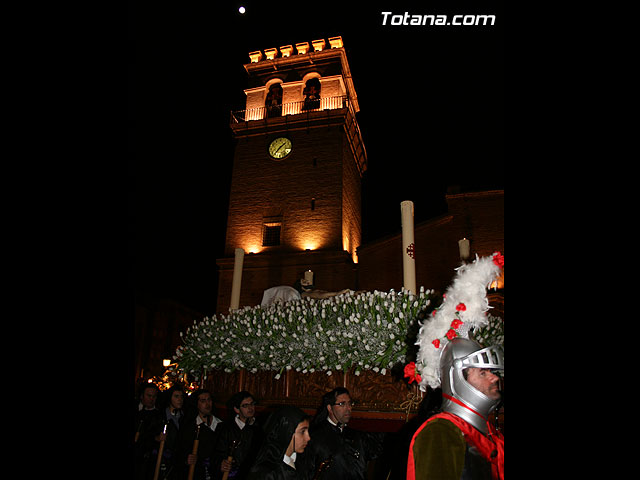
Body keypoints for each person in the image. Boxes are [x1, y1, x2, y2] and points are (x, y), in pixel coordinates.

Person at [407, 338, 504, 480]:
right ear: (458, 379)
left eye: (491, 371)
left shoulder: (488, 431)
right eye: (483, 373)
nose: (494, 378)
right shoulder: (440, 430)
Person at [299, 387, 384, 479]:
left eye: (349, 403)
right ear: (330, 408)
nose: (348, 408)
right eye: (342, 404)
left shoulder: (357, 434)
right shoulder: (315, 436)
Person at [247, 406, 311, 480]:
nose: (308, 438)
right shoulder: (266, 473)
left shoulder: (301, 461)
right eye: (302, 432)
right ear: (286, 432)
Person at [212, 391, 263, 479]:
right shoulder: (225, 428)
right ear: (236, 409)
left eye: (252, 404)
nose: (250, 408)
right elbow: (216, 453)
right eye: (245, 406)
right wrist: (221, 463)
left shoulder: (261, 428)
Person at [176, 389, 224, 480]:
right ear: (196, 404)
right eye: (203, 401)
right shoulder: (189, 426)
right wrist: (186, 459)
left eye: (209, 400)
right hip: (196, 473)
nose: (207, 404)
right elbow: (180, 449)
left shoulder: (220, 425)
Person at [135, 382, 164, 480]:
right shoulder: (136, 411)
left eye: (154, 396)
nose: (152, 399)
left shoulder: (159, 415)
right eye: (149, 396)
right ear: (142, 396)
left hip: (147, 459)